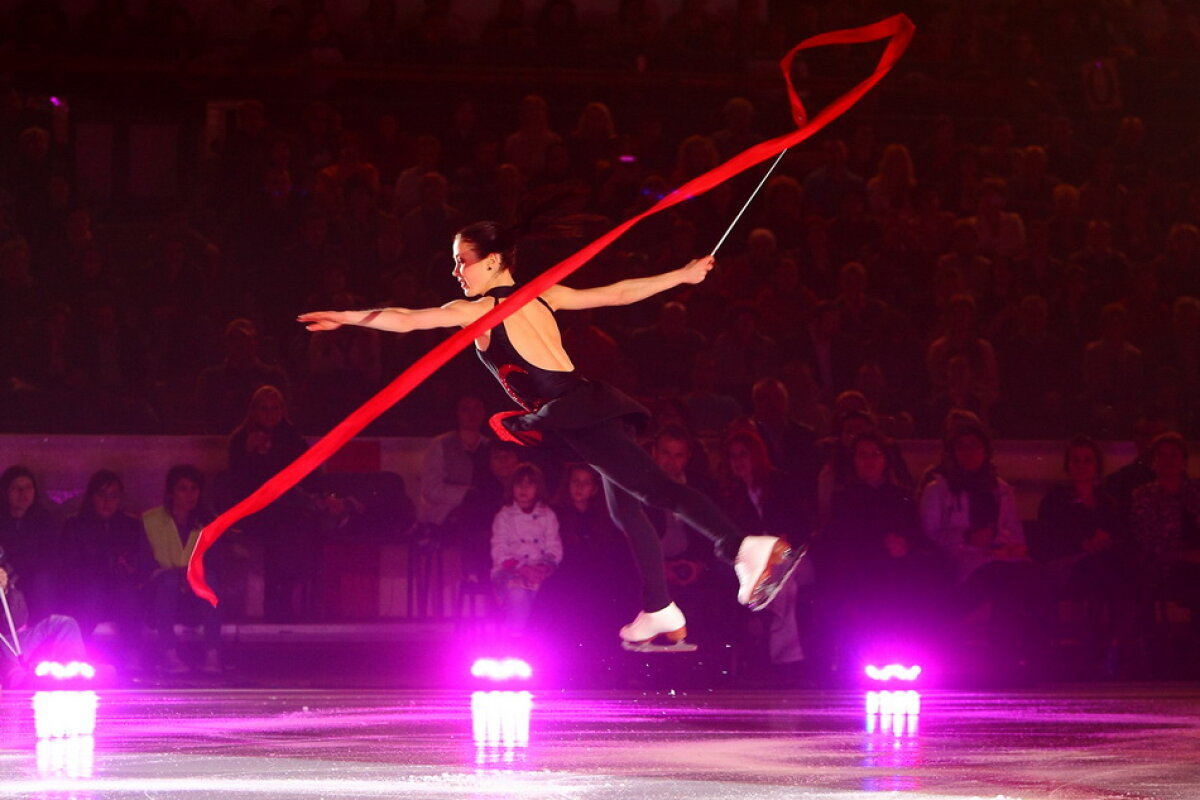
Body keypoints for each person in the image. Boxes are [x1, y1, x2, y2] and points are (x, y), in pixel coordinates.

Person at [299, 220, 804, 650]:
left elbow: (409, 320)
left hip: (575, 412)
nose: (456, 271)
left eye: (462, 261)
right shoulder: (542, 293)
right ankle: (659, 608)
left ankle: (743, 547)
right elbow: (619, 292)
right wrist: (682, 275)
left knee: (656, 490)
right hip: (589, 403)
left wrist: (346, 318)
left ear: (492, 262)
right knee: (625, 508)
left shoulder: (480, 311)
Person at [228, 385, 317, 622]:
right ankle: (277, 596)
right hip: (253, 508)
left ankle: (284, 593)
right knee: (285, 525)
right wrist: (250, 452)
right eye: (264, 409)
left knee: (294, 525)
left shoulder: (293, 438)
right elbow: (238, 483)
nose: (270, 414)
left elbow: (305, 476)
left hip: (288, 508)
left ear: (283, 410)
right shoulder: (240, 439)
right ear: (254, 411)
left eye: (275, 408)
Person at [59, 470, 145, 664]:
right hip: (87, 591)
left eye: (113, 496)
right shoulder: (75, 525)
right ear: (92, 496)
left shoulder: (130, 526)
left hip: (119, 591)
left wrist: (127, 567)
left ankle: (133, 654)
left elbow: (138, 563)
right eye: (101, 495)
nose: (107, 501)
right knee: (94, 591)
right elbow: (70, 567)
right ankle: (76, 654)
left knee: (126, 592)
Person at [142, 465, 221, 675]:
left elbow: (215, 561)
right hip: (160, 593)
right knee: (168, 581)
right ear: (171, 492)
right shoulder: (151, 520)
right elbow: (145, 564)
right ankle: (169, 653)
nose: (189, 495)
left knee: (209, 579)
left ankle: (212, 653)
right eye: (182, 488)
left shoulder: (207, 521)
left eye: (194, 488)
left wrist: (191, 575)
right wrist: (175, 574)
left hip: (194, 595)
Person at [490, 463, 561, 637]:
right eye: (519, 484)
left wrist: (543, 567)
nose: (524, 488)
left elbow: (554, 545)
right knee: (518, 596)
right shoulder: (504, 516)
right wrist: (521, 568)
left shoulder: (547, 515)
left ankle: (540, 641)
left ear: (538, 488)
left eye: (530, 484)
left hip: (540, 571)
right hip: (511, 571)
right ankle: (516, 640)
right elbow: (499, 549)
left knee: (547, 597)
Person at [0, 465, 59, 623]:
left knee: (43, 581)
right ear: (6, 492)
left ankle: (43, 633)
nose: (23, 493)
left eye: (28, 488)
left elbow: (50, 556)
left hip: (34, 578)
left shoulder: (43, 520)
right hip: (5, 578)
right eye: (16, 488)